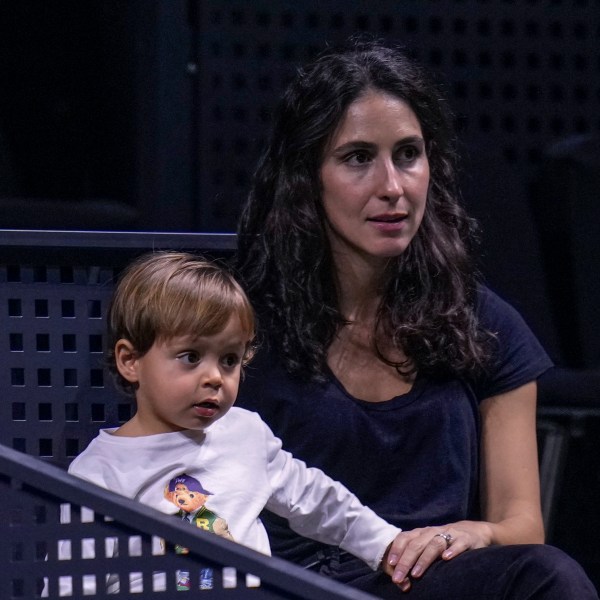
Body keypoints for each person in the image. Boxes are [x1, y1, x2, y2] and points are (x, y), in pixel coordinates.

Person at [235, 40, 599, 599]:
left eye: (408, 154)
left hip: (429, 579)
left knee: (547, 575)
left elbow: (523, 526)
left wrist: (472, 532)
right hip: (294, 585)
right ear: (307, 177)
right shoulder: (242, 324)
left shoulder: (482, 322)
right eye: (358, 157)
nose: (393, 187)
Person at [59, 251, 410, 594]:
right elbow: (74, 582)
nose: (215, 377)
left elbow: (316, 500)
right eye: (191, 357)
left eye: (229, 360)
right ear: (130, 360)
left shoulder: (246, 434)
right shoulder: (100, 471)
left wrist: (386, 544)